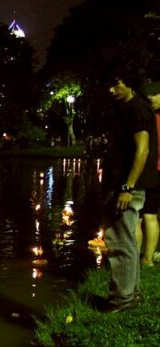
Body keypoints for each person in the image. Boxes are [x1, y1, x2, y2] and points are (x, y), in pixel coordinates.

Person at [100, 74, 159, 312]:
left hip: (126, 188)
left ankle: (122, 298)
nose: (111, 90)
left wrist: (127, 187)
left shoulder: (136, 110)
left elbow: (142, 150)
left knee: (119, 241)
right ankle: (130, 294)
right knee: (126, 241)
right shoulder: (129, 109)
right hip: (125, 185)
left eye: (117, 84)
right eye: (109, 85)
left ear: (129, 83)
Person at [136, 81, 160, 266]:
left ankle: (134, 259)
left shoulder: (145, 118)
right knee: (151, 215)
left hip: (147, 172)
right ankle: (148, 259)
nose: (151, 99)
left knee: (136, 217)